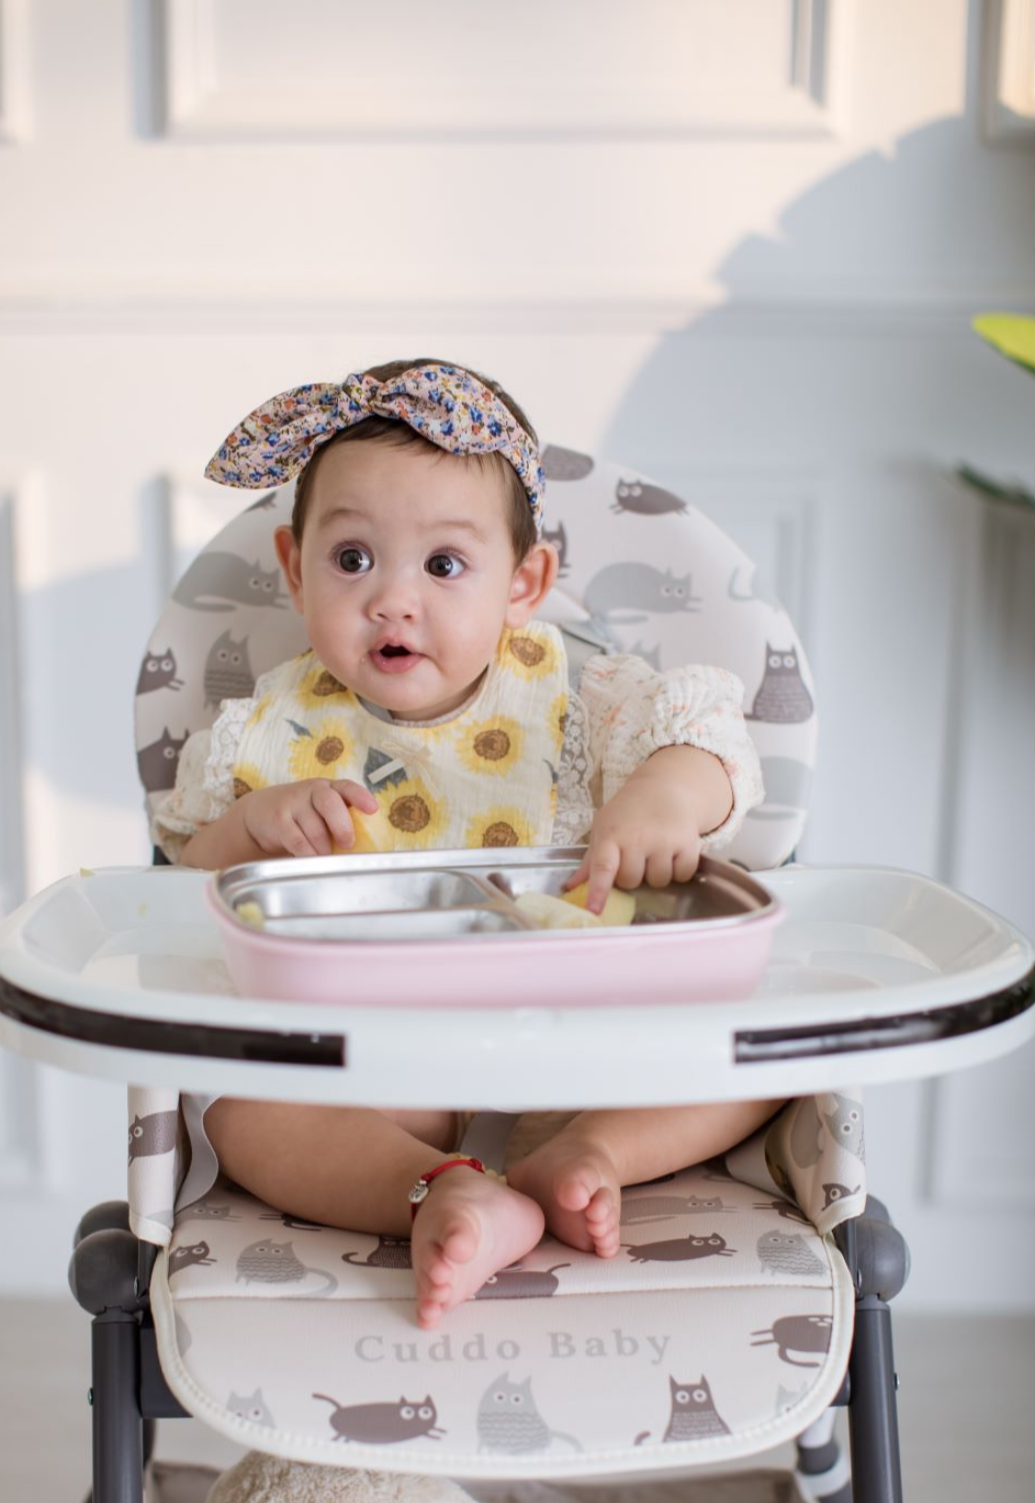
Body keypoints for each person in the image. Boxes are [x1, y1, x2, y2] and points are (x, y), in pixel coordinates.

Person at [156, 358, 784, 1328]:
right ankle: (442, 1192)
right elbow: (170, 909)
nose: (393, 600)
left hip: (587, 1051)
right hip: (376, 1072)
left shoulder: (585, 702)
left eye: (444, 566)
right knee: (243, 1116)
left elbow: (707, 733)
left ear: (524, 583)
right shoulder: (258, 735)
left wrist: (662, 797)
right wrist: (243, 833)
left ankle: (590, 1158)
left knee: (773, 1063)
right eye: (352, 559)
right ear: (293, 567)